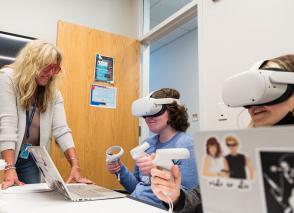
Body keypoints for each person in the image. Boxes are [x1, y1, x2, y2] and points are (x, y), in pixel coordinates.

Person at [150, 53, 294, 212]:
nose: (254, 105)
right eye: (251, 94)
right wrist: (176, 196)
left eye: (269, 90)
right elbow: (204, 197)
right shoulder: (238, 150)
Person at [0, 40, 93, 189]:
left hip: (29, 155)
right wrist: (9, 167)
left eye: (55, 68)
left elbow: (62, 130)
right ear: (32, 63)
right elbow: (8, 124)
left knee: (32, 198)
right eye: (46, 67)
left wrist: (75, 165)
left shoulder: (53, 93)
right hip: (6, 152)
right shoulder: (8, 78)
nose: (50, 73)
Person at [106, 88, 198, 208]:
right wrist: (120, 170)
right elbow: (138, 187)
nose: (148, 118)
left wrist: (158, 172)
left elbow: (188, 202)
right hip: (134, 203)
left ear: (173, 112)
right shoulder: (147, 145)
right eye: (145, 115)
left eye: (154, 112)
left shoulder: (186, 146)